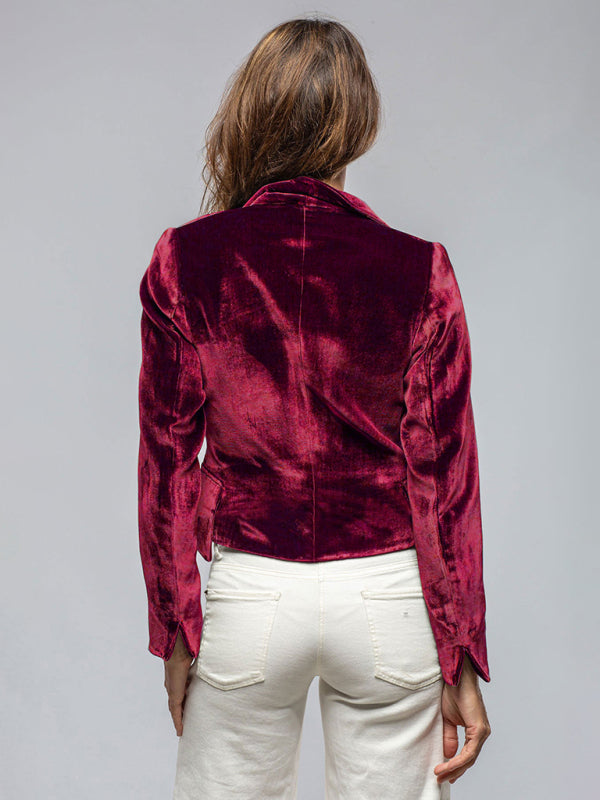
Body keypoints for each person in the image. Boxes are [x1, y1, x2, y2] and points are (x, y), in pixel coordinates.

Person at [137, 14, 492, 800]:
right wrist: (460, 648)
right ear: (356, 124)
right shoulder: (420, 270)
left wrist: (176, 628)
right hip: (386, 600)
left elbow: (166, 468)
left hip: (254, 596)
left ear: (252, 112)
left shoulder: (185, 260)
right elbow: (445, 479)